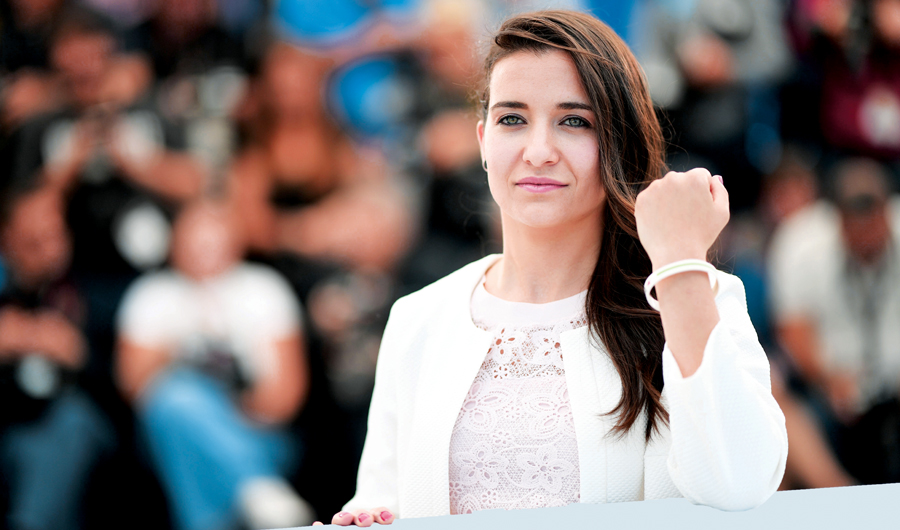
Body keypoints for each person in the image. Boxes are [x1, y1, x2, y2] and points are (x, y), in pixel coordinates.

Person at [316, 10, 788, 527]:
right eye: (512, 119)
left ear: (619, 143)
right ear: (482, 142)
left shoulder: (690, 295)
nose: (538, 151)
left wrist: (678, 265)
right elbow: (382, 500)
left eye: (574, 121)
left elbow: (740, 485)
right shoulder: (417, 318)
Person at [115, 201, 314, 530]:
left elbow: (286, 399)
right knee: (175, 400)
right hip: (171, 428)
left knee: (192, 451)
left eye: (213, 238)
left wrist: (224, 416)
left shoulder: (265, 290)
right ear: (173, 243)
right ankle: (257, 487)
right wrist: (181, 342)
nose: (203, 250)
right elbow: (136, 389)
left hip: (257, 431)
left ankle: (246, 490)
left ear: (236, 241)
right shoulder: (151, 295)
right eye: (193, 239)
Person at [769, 157, 900, 484]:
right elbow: (794, 330)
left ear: (887, 211)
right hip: (829, 385)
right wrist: (828, 376)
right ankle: (838, 493)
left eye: (874, 220)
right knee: (775, 410)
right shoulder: (801, 241)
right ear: (838, 219)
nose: (868, 236)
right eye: (857, 224)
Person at [0, 187, 114, 530]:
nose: (50, 251)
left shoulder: (91, 291)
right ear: (7, 240)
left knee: (68, 425)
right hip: (10, 424)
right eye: (34, 241)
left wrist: (80, 353)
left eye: (55, 235)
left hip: (73, 424)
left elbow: (124, 388)